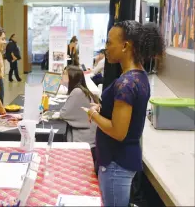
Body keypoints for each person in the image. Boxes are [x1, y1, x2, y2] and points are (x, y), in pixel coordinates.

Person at [85, 21, 164, 206]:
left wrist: (93, 114)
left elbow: (118, 132)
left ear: (125, 46)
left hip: (116, 163)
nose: (106, 48)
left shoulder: (127, 83)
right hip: (121, 161)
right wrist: (102, 109)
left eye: (109, 43)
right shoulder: (139, 76)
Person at [60, 65, 100, 163]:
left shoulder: (77, 92)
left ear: (72, 76)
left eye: (64, 74)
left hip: (85, 139)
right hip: (90, 135)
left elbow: (63, 114)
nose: (61, 76)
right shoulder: (80, 90)